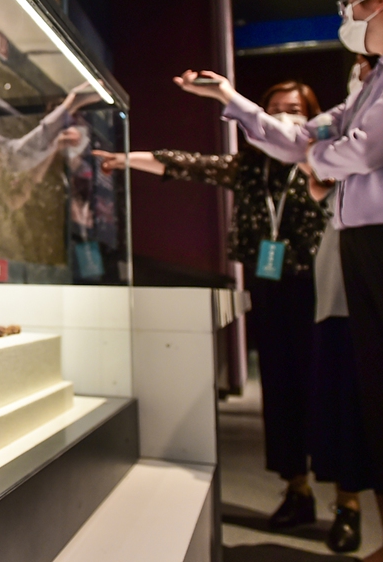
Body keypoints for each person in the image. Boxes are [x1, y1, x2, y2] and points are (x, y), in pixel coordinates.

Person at [169, 0, 383, 562]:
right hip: (372, 250)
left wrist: (318, 160)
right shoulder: (379, 76)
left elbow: (364, 149)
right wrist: (229, 96)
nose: (347, 15)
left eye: (352, 1)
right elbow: (302, 139)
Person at [93, 81, 332, 533]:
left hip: (323, 287)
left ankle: (347, 500)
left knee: (331, 388)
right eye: (275, 110)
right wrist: (126, 160)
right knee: (281, 388)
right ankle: (296, 488)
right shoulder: (249, 169)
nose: (284, 119)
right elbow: (188, 166)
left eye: (294, 110)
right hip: (270, 287)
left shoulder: (324, 163)